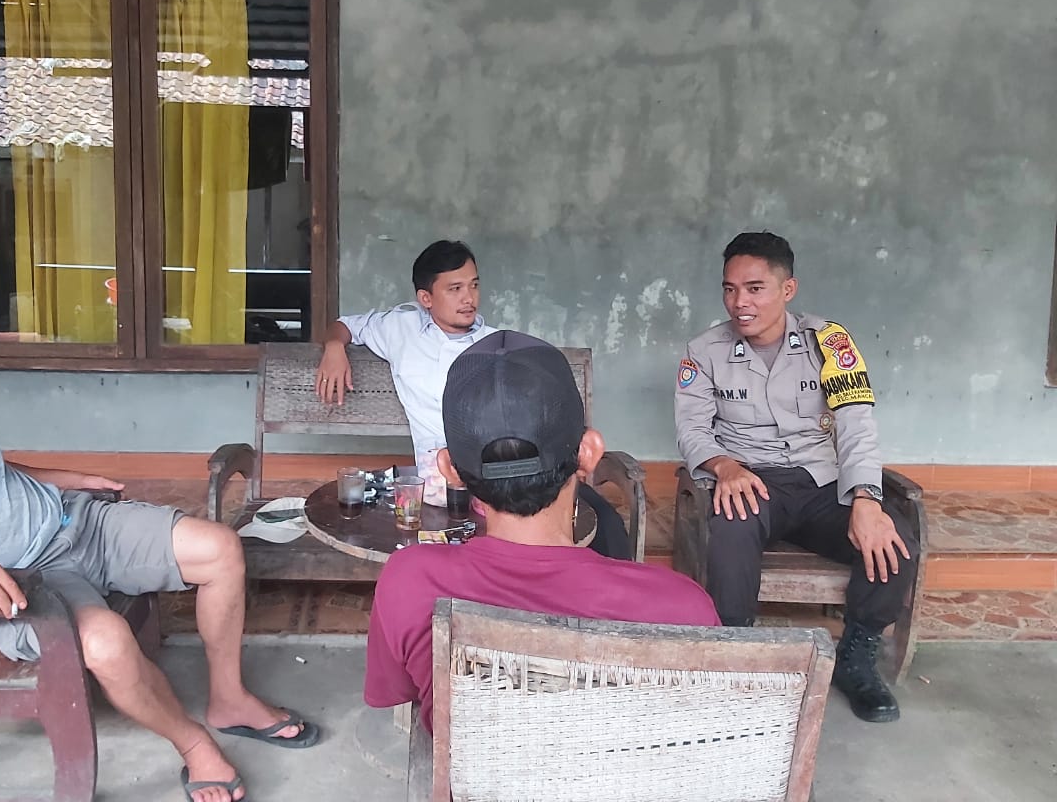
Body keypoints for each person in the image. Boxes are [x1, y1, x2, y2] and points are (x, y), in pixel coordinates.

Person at [0, 278, 319, 802]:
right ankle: (193, 745)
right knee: (106, 642)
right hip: (22, 579)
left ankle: (229, 699)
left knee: (219, 548)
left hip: (72, 522)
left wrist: (62, 478)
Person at [365, 330, 719, 731]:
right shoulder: (682, 609)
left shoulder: (410, 581)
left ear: (450, 470)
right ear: (589, 452)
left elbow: (401, 694)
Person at [674, 231, 918, 723]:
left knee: (895, 539)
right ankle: (736, 656)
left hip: (822, 481)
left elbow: (856, 424)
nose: (740, 303)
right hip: (752, 479)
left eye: (755, 288)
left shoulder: (830, 343)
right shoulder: (704, 350)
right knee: (731, 526)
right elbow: (692, 429)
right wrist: (724, 466)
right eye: (729, 289)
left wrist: (866, 498)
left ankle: (855, 657)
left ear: (788, 289)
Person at [315, 239, 632, 559]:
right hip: (438, 481)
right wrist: (334, 348)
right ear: (426, 298)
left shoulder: (496, 348)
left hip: (504, 474)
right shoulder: (400, 329)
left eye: (474, 285)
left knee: (603, 522)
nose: (469, 298)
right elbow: (344, 327)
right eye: (455, 289)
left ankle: (600, 582)